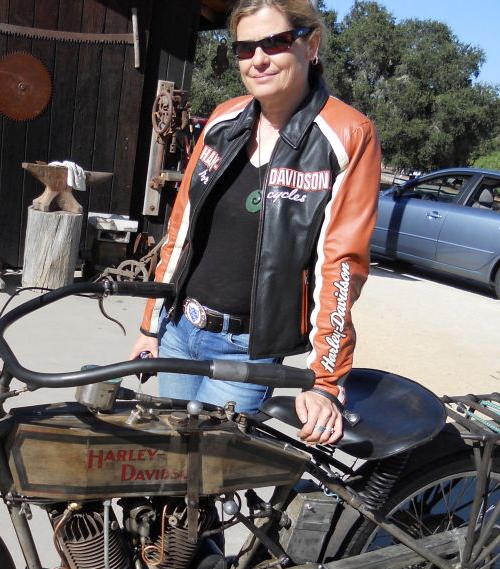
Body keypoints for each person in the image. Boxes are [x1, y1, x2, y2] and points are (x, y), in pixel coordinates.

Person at [130, 0, 381, 446]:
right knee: (164, 468)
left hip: (243, 350)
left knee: (205, 476)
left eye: (275, 42)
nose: (258, 59)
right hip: (179, 332)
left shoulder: (347, 135)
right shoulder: (224, 120)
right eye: (246, 48)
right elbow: (180, 228)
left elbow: (340, 265)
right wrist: (152, 324)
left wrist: (326, 382)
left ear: (312, 44)